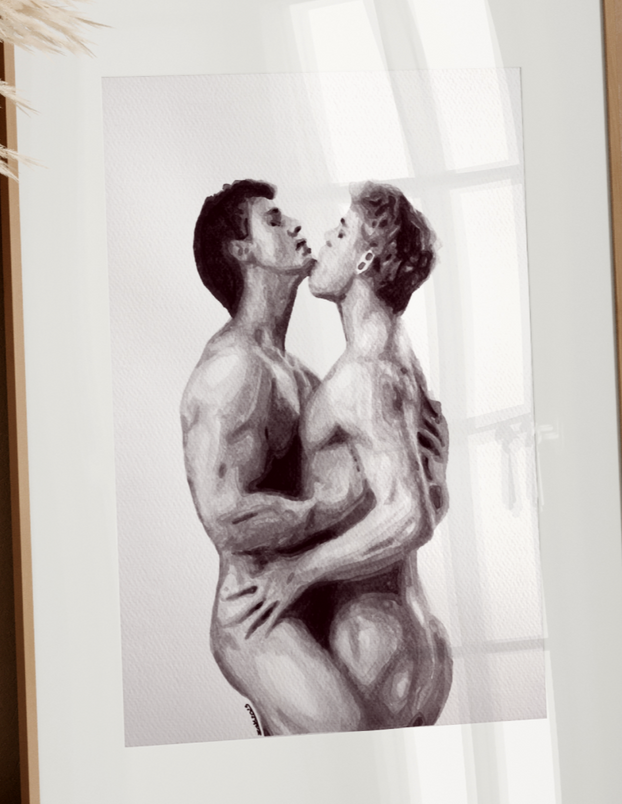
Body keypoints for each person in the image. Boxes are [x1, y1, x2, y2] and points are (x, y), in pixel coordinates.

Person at [225, 181, 452, 730]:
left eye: (343, 231)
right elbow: (428, 499)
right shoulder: (401, 356)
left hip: (372, 641)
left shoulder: (363, 374)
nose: (325, 238)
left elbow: (408, 515)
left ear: (366, 259)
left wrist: (298, 572)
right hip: (420, 645)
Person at [180, 179, 368, 736]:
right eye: (273, 220)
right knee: (348, 736)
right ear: (242, 251)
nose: (294, 226)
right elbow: (224, 517)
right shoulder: (231, 370)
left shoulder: (301, 374)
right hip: (256, 614)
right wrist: (325, 509)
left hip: (304, 596)